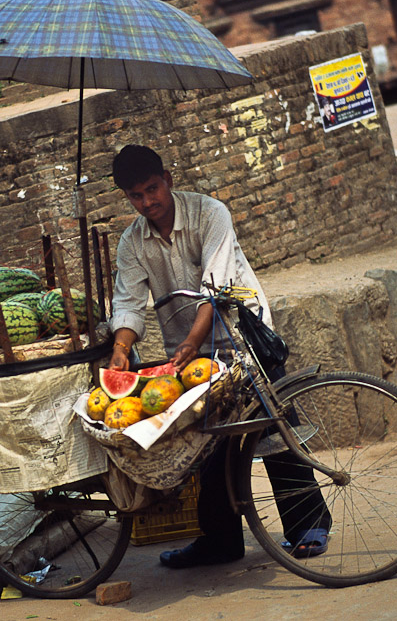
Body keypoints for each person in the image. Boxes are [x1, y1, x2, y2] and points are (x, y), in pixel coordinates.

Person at [107, 144, 332, 569]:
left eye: (152, 189)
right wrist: (121, 348)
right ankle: (220, 541)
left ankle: (308, 525)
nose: (148, 201)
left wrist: (192, 341)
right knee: (205, 444)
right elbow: (129, 304)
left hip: (242, 333)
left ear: (167, 179)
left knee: (274, 426)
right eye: (136, 196)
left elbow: (216, 287)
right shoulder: (132, 242)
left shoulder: (211, 214)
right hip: (189, 352)